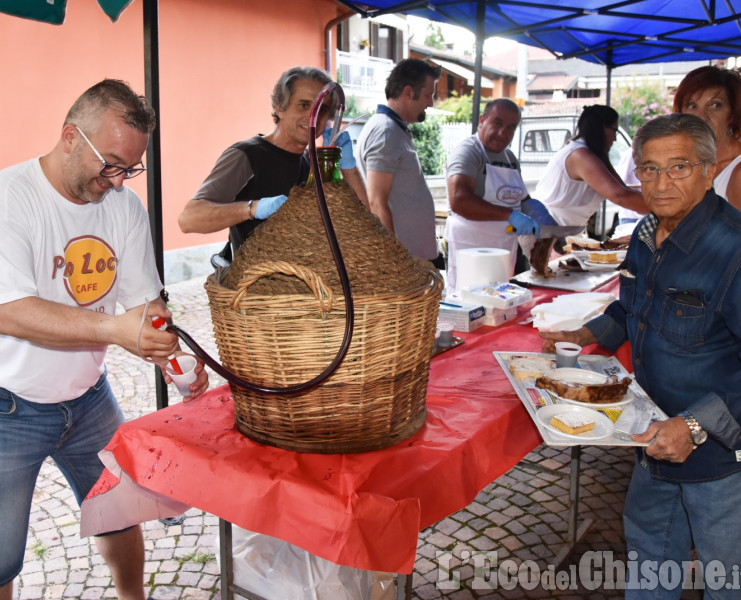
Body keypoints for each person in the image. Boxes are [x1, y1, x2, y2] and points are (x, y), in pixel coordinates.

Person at [541, 113, 741, 599]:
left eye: (680, 167)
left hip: (726, 458)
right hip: (653, 439)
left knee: (732, 585)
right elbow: (630, 306)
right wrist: (583, 334)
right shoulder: (647, 233)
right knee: (650, 563)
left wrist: (692, 426)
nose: (662, 183)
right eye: (649, 169)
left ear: (709, 171)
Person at [0, 79, 209, 600]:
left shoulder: (124, 206)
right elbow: (9, 311)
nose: (117, 181)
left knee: (119, 513)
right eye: (111, 163)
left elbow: (144, 302)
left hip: (90, 399)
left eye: (130, 168)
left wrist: (170, 353)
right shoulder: (10, 198)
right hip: (9, 406)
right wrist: (112, 330)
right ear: (71, 136)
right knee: (1, 554)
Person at [179, 66, 342, 259]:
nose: (313, 117)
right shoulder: (247, 156)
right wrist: (253, 208)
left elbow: (355, 220)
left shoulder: (310, 164)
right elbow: (189, 219)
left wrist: (349, 166)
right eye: (304, 105)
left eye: (321, 109)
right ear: (279, 108)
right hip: (254, 284)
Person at [443, 98, 547, 294]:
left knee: (500, 304)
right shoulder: (468, 152)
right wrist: (509, 215)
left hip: (503, 250)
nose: (503, 133)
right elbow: (459, 200)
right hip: (471, 250)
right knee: (469, 303)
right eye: (497, 124)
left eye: (510, 128)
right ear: (482, 120)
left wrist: (537, 212)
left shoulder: (510, 158)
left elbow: (521, 198)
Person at [354, 58, 443, 265]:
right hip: (403, 261)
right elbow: (376, 202)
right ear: (409, 92)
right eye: (429, 95)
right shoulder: (386, 131)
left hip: (412, 258)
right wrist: (393, 259)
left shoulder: (393, 128)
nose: (430, 102)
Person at [673, 65, 741, 226]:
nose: (702, 116)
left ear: (732, 114)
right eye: (692, 105)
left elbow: (740, 245)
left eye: (715, 105)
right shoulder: (691, 164)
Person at [534, 104, 647, 228]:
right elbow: (620, 196)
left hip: (562, 229)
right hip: (546, 229)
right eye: (614, 131)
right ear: (601, 128)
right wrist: (665, 208)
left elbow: (624, 190)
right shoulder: (580, 155)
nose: (614, 139)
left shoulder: (596, 155)